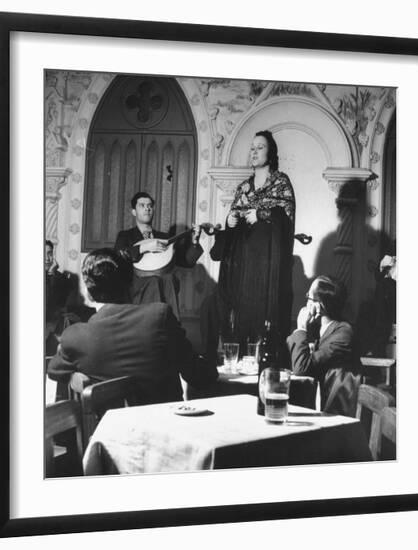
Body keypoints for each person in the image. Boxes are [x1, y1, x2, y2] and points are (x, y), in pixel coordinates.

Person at [47, 248, 217, 405]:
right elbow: (199, 376)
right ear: (131, 285)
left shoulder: (74, 336)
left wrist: (75, 378)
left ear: (88, 293)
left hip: (109, 435)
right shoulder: (159, 316)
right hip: (165, 430)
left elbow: (54, 370)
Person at [207, 130, 295, 357]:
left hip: (266, 267)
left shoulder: (281, 182)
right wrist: (230, 220)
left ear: (271, 152)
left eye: (260, 147)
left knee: (263, 327)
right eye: (252, 148)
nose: (254, 152)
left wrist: (263, 214)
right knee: (239, 320)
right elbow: (233, 218)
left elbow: (286, 218)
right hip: (242, 266)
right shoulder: (244, 187)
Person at [114, 191, 202, 319]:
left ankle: (172, 327)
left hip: (161, 282)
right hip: (135, 284)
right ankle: (153, 326)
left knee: (170, 279)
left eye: (150, 205)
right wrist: (144, 247)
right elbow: (118, 257)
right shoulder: (125, 236)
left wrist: (195, 242)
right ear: (134, 211)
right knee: (155, 281)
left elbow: (186, 262)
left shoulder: (164, 238)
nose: (147, 208)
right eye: (142, 205)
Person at [286, 275, 361, 417]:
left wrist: (301, 328)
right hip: (315, 399)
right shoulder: (315, 327)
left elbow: (301, 368)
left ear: (320, 305)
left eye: (309, 297)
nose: (306, 300)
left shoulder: (343, 333)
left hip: (336, 410)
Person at [45, 240, 93, 355]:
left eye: (50, 253)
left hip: (55, 321)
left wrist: (52, 275)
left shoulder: (59, 277)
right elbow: (46, 304)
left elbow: (62, 302)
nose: (47, 258)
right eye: (43, 253)